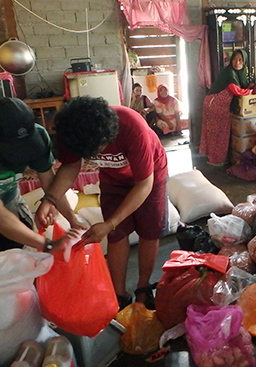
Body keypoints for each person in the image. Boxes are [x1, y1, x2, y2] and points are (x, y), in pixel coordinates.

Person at [35, 96, 168, 311]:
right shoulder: (73, 132)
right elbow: (70, 167)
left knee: (149, 231)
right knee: (116, 235)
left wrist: (111, 223)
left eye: (99, 148)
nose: (97, 155)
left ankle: (143, 287)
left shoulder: (132, 127)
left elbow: (144, 184)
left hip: (150, 177)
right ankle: (119, 294)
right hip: (113, 180)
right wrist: (50, 200)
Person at [0, 97, 85, 260]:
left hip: (8, 194)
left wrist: (72, 219)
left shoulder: (38, 134)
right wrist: (48, 245)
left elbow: (49, 181)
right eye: (14, 149)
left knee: (17, 241)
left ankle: (6, 263)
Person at [199, 49, 256, 166]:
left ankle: (215, 158)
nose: (237, 63)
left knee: (220, 132)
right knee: (217, 133)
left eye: (241, 60)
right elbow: (237, 90)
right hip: (215, 104)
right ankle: (215, 160)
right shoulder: (230, 73)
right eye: (235, 59)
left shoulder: (239, 73)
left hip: (221, 106)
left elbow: (245, 86)